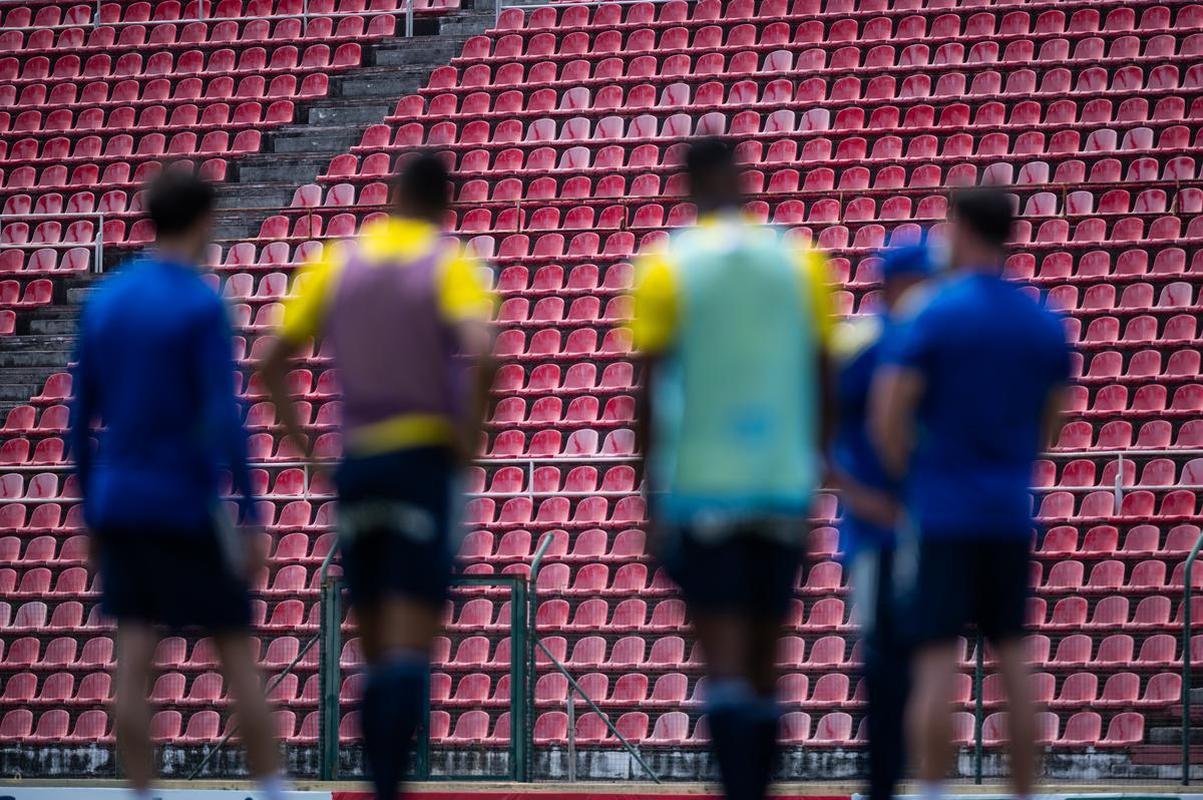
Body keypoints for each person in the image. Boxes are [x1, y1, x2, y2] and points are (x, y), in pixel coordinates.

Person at [259, 152, 496, 800]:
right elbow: (483, 350)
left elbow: (269, 360)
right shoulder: (449, 263)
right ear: (446, 204)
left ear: (391, 195)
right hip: (423, 458)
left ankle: (376, 782)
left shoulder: (338, 262)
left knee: (369, 646)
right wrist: (468, 441)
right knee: (411, 645)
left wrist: (306, 450)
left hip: (357, 462)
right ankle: (394, 786)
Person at [70, 169, 288, 800]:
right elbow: (225, 414)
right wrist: (250, 511)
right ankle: (272, 789)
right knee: (235, 651)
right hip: (186, 500)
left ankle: (142, 794)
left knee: (132, 658)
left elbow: (79, 421)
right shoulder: (200, 304)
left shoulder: (104, 301)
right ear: (202, 222)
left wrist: (90, 511)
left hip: (119, 499)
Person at [632, 137, 834, 800]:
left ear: (685, 185)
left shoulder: (665, 265)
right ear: (741, 178)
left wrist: (650, 496)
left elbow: (647, 389)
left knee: (719, 659)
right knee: (766, 663)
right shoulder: (798, 261)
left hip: (700, 485)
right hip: (779, 484)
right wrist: (816, 464)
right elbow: (822, 372)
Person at [870, 187, 1071, 800]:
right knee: (1015, 658)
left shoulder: (933, 313)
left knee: (934, 660)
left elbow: (889, 414)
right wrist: (1010, 464)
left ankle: (932, 792)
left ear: (958, 227)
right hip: (1008, 509)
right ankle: (1023, 795)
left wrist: (914, 478)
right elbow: (1053, 421)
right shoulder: (1041, 321)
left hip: (942, 510)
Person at [828, 238, 934, 800]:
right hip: (884, 527)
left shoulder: (931, 338)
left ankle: (901, 779)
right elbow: (822, 427)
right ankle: (889, 780)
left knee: (914, 660)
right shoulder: (867, 344)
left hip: (919, 522)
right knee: (891, 659)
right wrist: (856, 492)